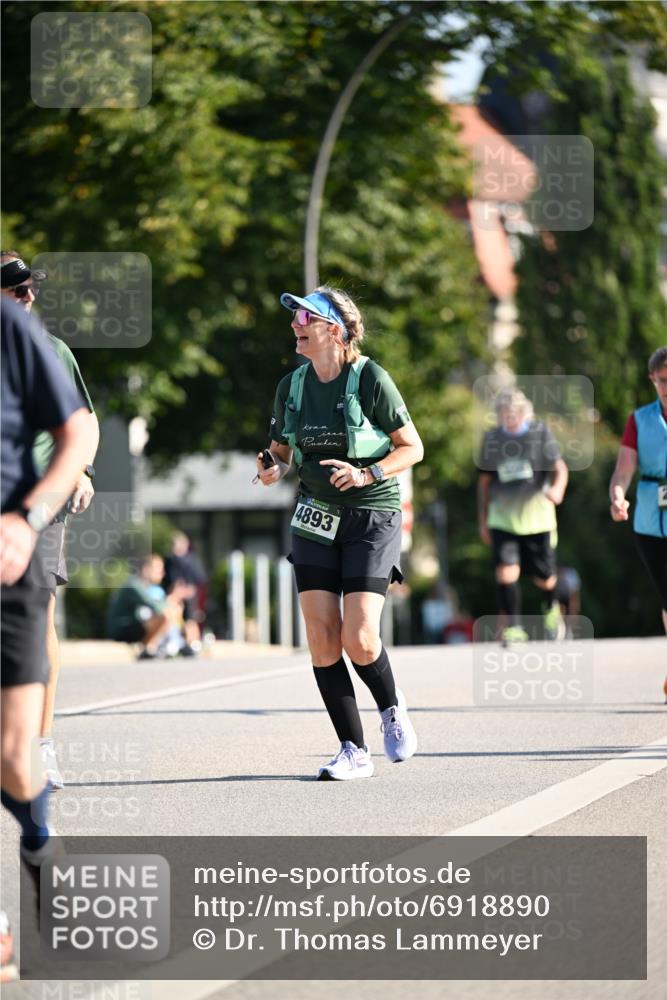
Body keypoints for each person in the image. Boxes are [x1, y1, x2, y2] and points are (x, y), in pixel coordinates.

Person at [257, 286, 423, 780]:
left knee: (360, 638)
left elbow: (411, 447)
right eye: (293, 318)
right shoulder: (292, 385)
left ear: (334, 329)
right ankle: (353, 748)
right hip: (314, 515)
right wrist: (271, 468)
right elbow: (281, 452)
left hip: (371, 513)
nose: (294, 326)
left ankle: (391, 706)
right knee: (321, 636)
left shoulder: (371, 378)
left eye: (304, 318)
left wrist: (367, 474)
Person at [1, 298, 92, 975]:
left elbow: (78, 431)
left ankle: (40, 842)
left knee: (11, 756)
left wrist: (28, 516)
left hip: (9, 549)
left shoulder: (13, 331)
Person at [1, 251, 99, 790]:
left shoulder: (50, 350)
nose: (28, 297)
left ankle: (40, 745)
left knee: (36, 622)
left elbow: (83, 426)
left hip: (36, 506)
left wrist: (78, 471)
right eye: (14, 289)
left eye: (30, 288)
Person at [478, 388, 569, 645]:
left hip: (537, 518)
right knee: (506, 573)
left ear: (525, 413)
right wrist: (483, 519)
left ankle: (551, 607)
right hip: (502, 519)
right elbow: (484, 482)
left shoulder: (540, 434)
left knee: (545, 577)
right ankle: (515, 628)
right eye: (505, 413)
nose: (510, 417)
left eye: (515, 413)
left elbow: (559, 468)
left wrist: (558, 489)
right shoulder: (492, 439)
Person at [610, 346, 667, 700]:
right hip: (650, 521)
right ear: (652, 379)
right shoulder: (640, 419)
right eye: (662, 381)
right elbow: (623, 468)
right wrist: (618, 494)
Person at [106, 554, 192, 659]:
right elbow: (157, 608)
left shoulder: (147, 586)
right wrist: (172, 600)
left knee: (172, 614)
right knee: (165, 616)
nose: (162, 573)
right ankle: (149, 649)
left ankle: (175, 644)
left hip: (135, 624)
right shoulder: (134, 585)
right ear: (146, 569)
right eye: (158, 569)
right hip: (122, 629)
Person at [163, 531, 207, 651]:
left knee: (190, 620)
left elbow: (199, 579)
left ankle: (193, 644)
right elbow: (166, 579)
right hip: (173, 595)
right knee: (172, 618)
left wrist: (189, 590)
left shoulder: (192, 560)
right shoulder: (169, 560)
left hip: (189, 596)